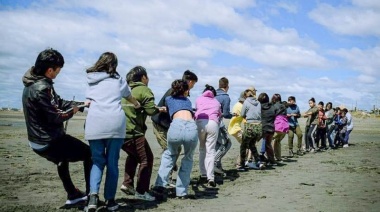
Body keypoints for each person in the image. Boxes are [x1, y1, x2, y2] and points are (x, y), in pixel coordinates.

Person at [22, 48, 92, 205]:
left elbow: (58, 102)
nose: (58, 73)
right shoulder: (41, 88)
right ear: (50, 70)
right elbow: (56, 117)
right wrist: (73, 111)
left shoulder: (35, 83)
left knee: (62, 159)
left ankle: (73, 194)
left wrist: (81, 104)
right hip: (48, 141)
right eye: (58, 70)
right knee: (90, 154)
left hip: (36, 141)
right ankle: (90, 195)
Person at [84, 52, 140, 211]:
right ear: (114, 65)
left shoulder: (91, 79)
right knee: (112, 163)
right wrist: (136, 104)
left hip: (95, 123)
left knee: (97, 161)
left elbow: (88, 100)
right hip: (115, 123)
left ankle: (93, 197)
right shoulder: (118, 80)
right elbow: (129, 97)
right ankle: (110, 201)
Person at [120, 66, 165, 201]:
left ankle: (127, 184)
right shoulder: (144, 90)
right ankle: (141, 191)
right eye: (147, 77)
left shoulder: (126, 90)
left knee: (133, 156)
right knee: (147, 159)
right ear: (143, 78)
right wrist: (159, 110)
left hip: (120, 131)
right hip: (134, 131)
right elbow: (150, 110)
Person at [151, 70, 198, 183]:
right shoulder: (174, 92)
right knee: (169, 151)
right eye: (194, 84)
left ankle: (169, 173)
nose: (193, 87)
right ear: (190, 82)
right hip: (160, 124)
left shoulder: (181, 93)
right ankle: (166, 179)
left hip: (171, 126)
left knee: (175, 149)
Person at [195, 84, 221, 187]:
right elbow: (219, 114)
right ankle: (211, 177)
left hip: (201, 122)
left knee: (202, 149)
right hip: (213, 123)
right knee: (210, 151)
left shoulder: (198, 99)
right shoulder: (216, 102)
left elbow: (197, 110)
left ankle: (203, 174)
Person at [238, 89, 264, 171]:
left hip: (250, 126)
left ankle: (242, 164)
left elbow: (242, 114)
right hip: (259, 127)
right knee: (252, 144)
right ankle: (258, 161)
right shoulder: (258, 102)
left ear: (245, 96)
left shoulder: (246, 102)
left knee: (243, 146)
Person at [228, 91, 253, 168]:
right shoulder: (242, 106)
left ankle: (243, 162)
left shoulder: (237, 104)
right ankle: (240, 163)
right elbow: (245, 119)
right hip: (236, 128)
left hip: (234, 128)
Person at [214, 77, 233, 174]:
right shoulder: (225, 97)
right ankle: (213, 162)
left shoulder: (213, 95)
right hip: (217, 122)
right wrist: (232, 115)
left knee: (217, 145)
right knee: (227, 143)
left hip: (205, 123)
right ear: (227, 86)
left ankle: (218, 167)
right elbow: (225, 114)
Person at [257, 92, 277, 165]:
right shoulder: (272, 107)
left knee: (252, 143)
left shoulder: (259, 107)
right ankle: (272, 161)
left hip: (262, 128)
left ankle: (255, 159)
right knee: (268, 145)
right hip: (271, 128)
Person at [271, 94, 289, 161]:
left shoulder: (274, 106)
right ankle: (278, 157)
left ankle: (271, 156)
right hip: (284, 126)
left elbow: (272, 115)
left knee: (272, 140)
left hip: (278, 125)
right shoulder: (284, 106)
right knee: (278, 142)